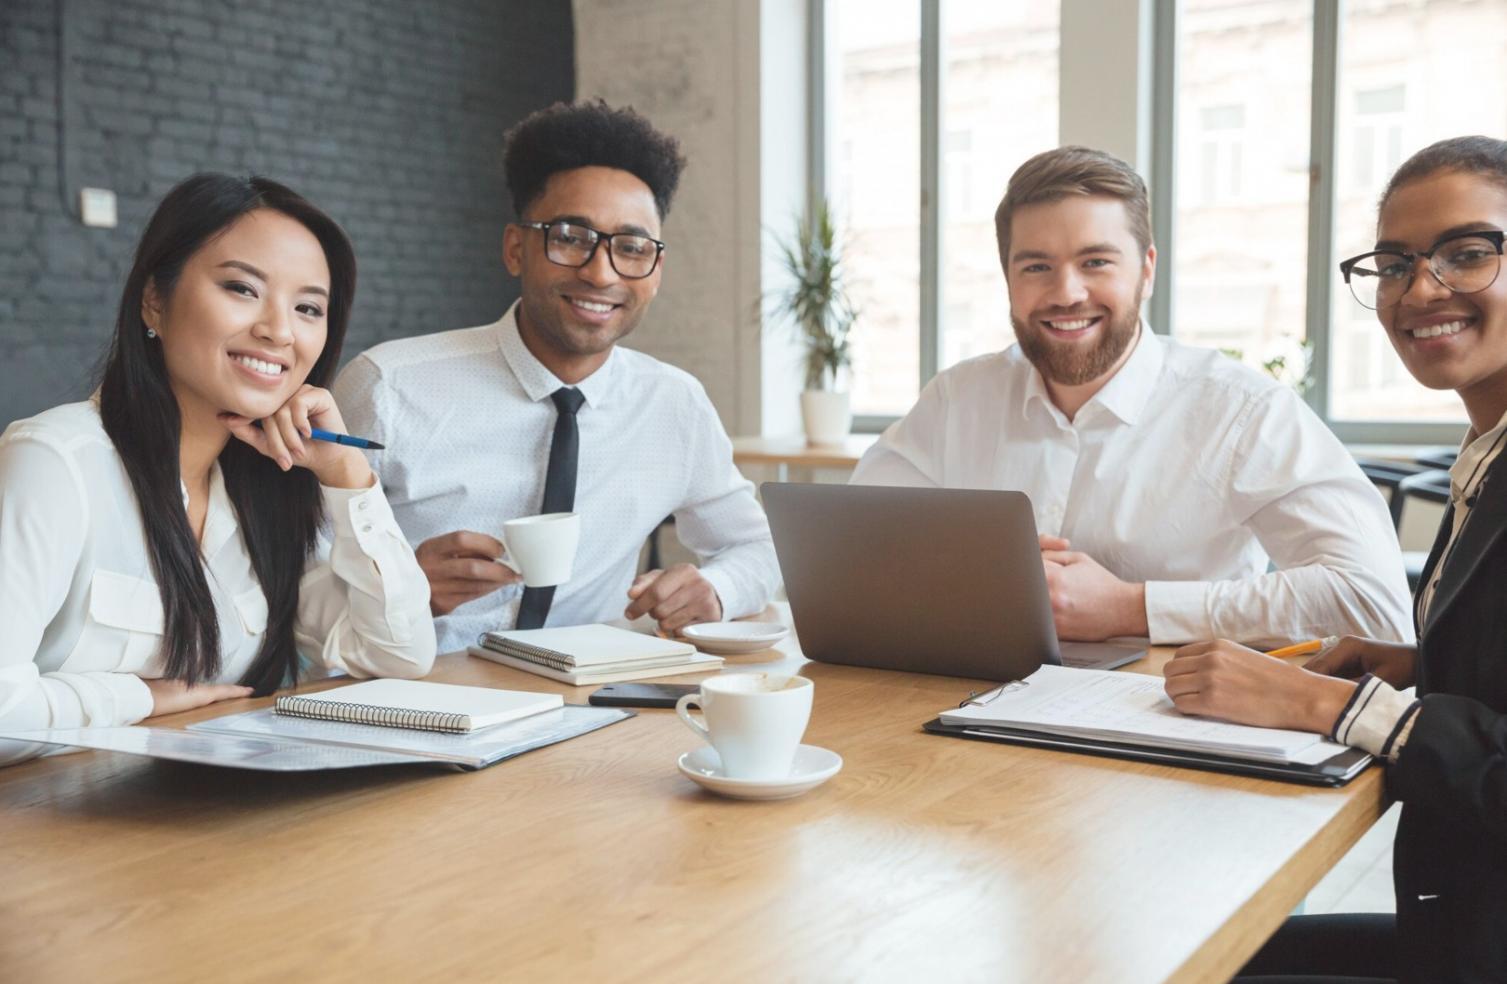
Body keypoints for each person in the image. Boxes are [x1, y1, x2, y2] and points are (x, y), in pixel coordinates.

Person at [1170, 135, 1507, 984]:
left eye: (1467, 253)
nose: (1419, 290)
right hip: (1461, 920)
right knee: (1187, 950)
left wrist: (1328, 705)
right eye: (1393, 264)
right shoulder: (1486, 451)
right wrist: (1417, 665)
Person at [850, 146, 1411, 648]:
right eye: (1037, 267)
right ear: (1008, 279)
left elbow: (1375, 603)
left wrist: (1133, 607)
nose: (1067, 292)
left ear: (1146, 270)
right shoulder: (957, 399)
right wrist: (967, 572)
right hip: (964, 700)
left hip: (1169, 711)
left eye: (1095, 262)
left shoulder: (1243, 411)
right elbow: (850, 552)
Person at [0, 174, 437, 766]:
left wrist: (346, 475)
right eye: (242, 288)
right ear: (154, 300)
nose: (279, 330)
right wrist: (135, 697)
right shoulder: (54, 463)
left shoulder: (270, 489)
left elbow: (399, 655)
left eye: (308, 308)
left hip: (209, 809)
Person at [334, 101, 779, 653]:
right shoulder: (387, 389)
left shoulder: (673, 404)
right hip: (411, 686)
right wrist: (399, 590)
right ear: (515, 249)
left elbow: (759, 548)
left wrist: (716, 589)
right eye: (570, 237)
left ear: (656, 271)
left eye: (631, 248)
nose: (600, 272)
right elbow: (285, 579)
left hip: (595, 691)